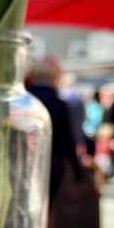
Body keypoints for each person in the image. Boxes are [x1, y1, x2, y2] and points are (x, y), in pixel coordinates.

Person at [26, 56, 82, 206]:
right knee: (44, 205)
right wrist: (77, 170)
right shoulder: (59, 104)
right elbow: (68, 139)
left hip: (25, 161)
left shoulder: (25, 101)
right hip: (51, 165)